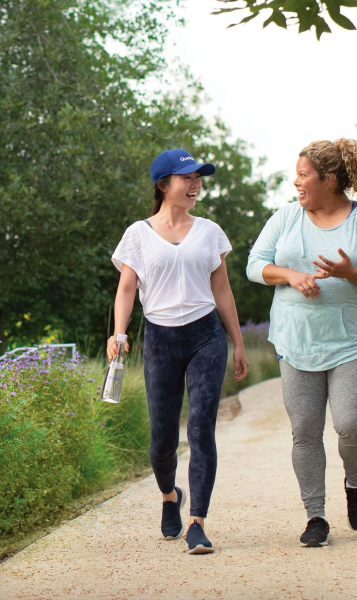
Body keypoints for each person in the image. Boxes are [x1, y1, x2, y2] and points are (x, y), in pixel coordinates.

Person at [246, 139, 357, 548]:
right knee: (305, 431)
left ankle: (355, 484)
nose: (295, 182)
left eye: (303, 175)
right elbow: (254, 265)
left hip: (351, 343)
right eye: (296, 174)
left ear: (329, 180)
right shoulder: (285, 217)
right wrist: (289, 275)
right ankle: (315, 516)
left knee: (352, 426)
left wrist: (354, 273)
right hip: (295, 341)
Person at [109, 148, 249, 554]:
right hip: (159, 340)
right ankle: (171, 496)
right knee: (162, 440)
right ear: (162, 184)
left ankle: (197, 523)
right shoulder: (138, 234)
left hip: (206, 336)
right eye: (186, 177)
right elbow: (126, 289)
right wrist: (119, 334)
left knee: (202, 426)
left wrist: (238, 342)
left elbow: (222, 290)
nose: (195, 184)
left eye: (198, 178)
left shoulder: (209, 231)